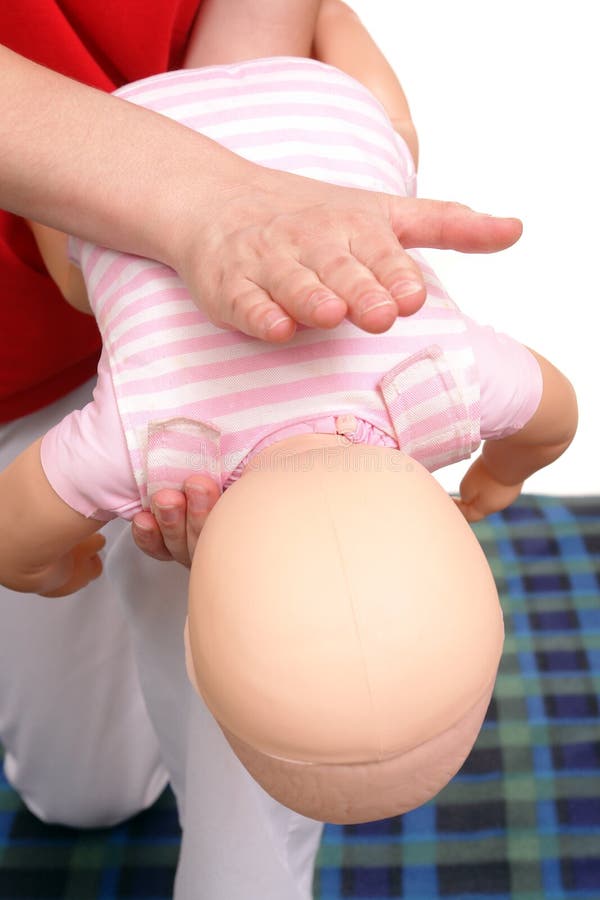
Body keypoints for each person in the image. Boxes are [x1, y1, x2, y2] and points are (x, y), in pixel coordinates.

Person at [0, 3, 524, 898]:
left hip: (271, 100)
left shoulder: (447, 380)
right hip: (53, 243)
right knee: (80, 792)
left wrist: (44, 563)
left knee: (282, 692)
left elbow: (551, 408)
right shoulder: (156, 434)